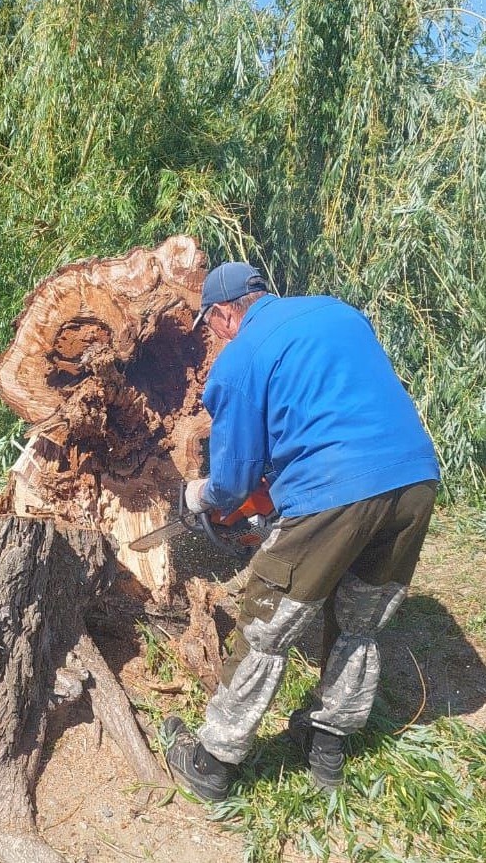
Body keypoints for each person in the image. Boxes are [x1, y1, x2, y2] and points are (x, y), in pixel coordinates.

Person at [161, 261, 440, 800]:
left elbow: (234, 479)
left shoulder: (242, 355)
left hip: (335, 489)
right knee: (360, 619)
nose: (214, 338)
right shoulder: (337, 312)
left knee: (266, 627)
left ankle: (212, 761)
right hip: (415, 479)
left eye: (210, 327)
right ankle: (327, 747)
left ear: (222, 316)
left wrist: (200, 496)